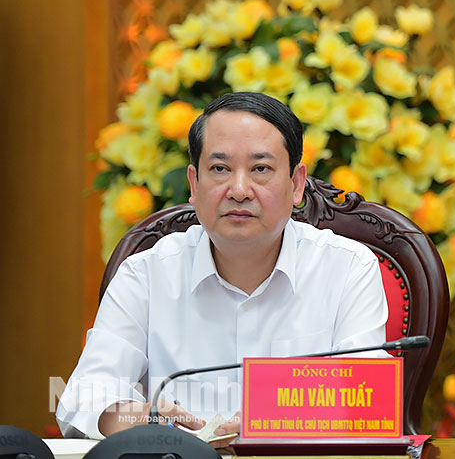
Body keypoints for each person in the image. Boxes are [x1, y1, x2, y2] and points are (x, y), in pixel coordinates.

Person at [57, 92, 389, 446]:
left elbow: (368, 399)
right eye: (220, 169)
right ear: (194, 184)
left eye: (260, 169)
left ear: (296, 184)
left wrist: (275, 419)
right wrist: (144, 418)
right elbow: (82, 399)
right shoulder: (146, 275)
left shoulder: (347, 269)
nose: (239, 190)